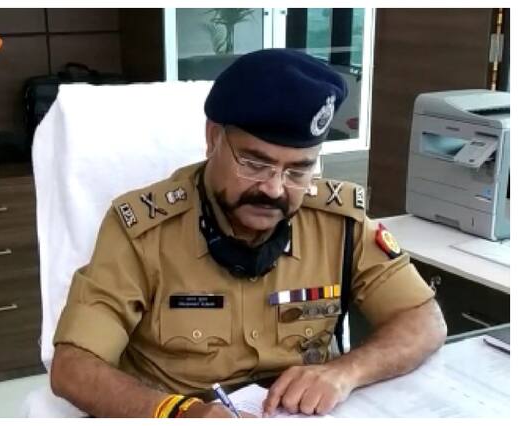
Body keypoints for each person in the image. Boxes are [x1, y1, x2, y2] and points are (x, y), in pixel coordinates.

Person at [50, 48, 447, 418]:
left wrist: (345, 372)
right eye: (255, 164)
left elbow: (424, 320)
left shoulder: (338, 222)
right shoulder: (144, 231)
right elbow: (73, 366)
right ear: (213, 138)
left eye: (297, 170)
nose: (274, 189)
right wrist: (179, 413)